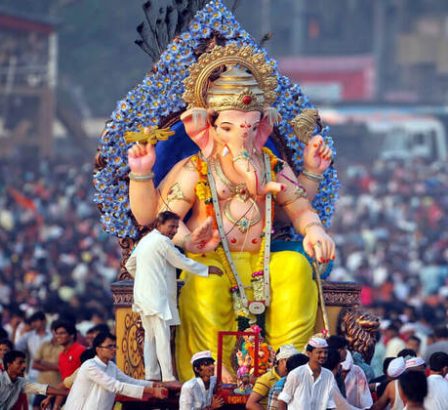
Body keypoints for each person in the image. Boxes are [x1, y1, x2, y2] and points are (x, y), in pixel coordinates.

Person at [127, 45, 336, 381]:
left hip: (261, 258)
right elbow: (161, 220)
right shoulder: (196, 168)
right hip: (212, 258)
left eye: (251, 129)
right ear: (207, 128)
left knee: (296, 268)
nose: (243, 137)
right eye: (230, 128)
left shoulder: (270, 165)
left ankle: (290, 364)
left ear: (262, 128)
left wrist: (315, 230)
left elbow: (298, 207)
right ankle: (213, 368)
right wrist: (187, 239)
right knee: (205, 286)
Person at [125, 210, 218, 382]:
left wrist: (143, 278)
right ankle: (167, 377)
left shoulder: (146, 241)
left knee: (150, 338)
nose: (174, 230)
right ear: (159, 225)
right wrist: (207, 269)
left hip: (143, 296)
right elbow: (181, 261)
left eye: (176, 226)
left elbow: (130, 265)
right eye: (171, 226)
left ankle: (151, 375)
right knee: (161, 337)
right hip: (155, 298)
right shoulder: (162, 242)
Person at [63, 333, 168, 409]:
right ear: (98, 349)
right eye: (109, 346)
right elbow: (115, 386)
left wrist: (154, 384)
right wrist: (152, 391)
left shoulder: (111, 366)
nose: (113, 349)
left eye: (114, 346)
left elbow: (129, 381)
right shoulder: (89, 366)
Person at [278, 337, 336, 409]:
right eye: (319, 352)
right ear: (309, 353)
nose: (323, 355)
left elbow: (331, 403)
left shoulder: (328, 375)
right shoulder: (296, 374)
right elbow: (283, 400)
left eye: (325, 352)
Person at [0, 350, 66, 409]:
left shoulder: (20, 382)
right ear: (9, 365)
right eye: (20, 363)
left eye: (24, 363)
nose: (24, 366)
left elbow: (41, 388)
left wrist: (68, 393)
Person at [247, 344, 298, 409]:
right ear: (282, 361)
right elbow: (251, 404)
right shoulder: (267, 379)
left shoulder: (294, 375)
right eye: (291, 360)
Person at [31, 329, 63, 410]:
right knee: (36, 407)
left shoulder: (63, 347)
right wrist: (55, 367)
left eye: (60, 333)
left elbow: (61, 367)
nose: (57, 335)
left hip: (57, 387)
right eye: (56, 332)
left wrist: (43, 362)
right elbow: (34, 365)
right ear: (52, 332)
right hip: (42, 385)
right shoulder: (44, 344)